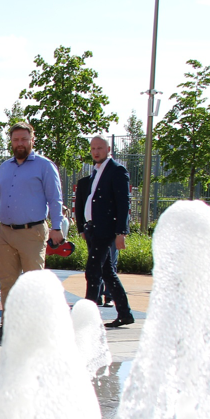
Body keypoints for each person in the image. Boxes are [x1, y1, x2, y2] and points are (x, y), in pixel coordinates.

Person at [0, 123, 65, 342]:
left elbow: (55, 199)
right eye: (15, 140)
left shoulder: (44, 166)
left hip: (32, 232)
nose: (19, 143)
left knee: (33, 282)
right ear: (11, 142)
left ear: (32, 140)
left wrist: (57, 227)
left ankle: (36, 329)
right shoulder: (5, 167)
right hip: (6, 232)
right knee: (7, 282)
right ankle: (8, 325)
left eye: (24, 139)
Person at [77, 136, 135, 328]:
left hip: (105, 229)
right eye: (93, 148)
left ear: (108, 149)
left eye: (100, 148)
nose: (96, 152)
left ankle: (88, 318)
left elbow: (123, 203)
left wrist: (121, 232)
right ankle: (125, 313)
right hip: (93, 229)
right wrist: (83, 226)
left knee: (93, 271)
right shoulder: (95, 172)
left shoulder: (117, 171)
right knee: (107, 272)